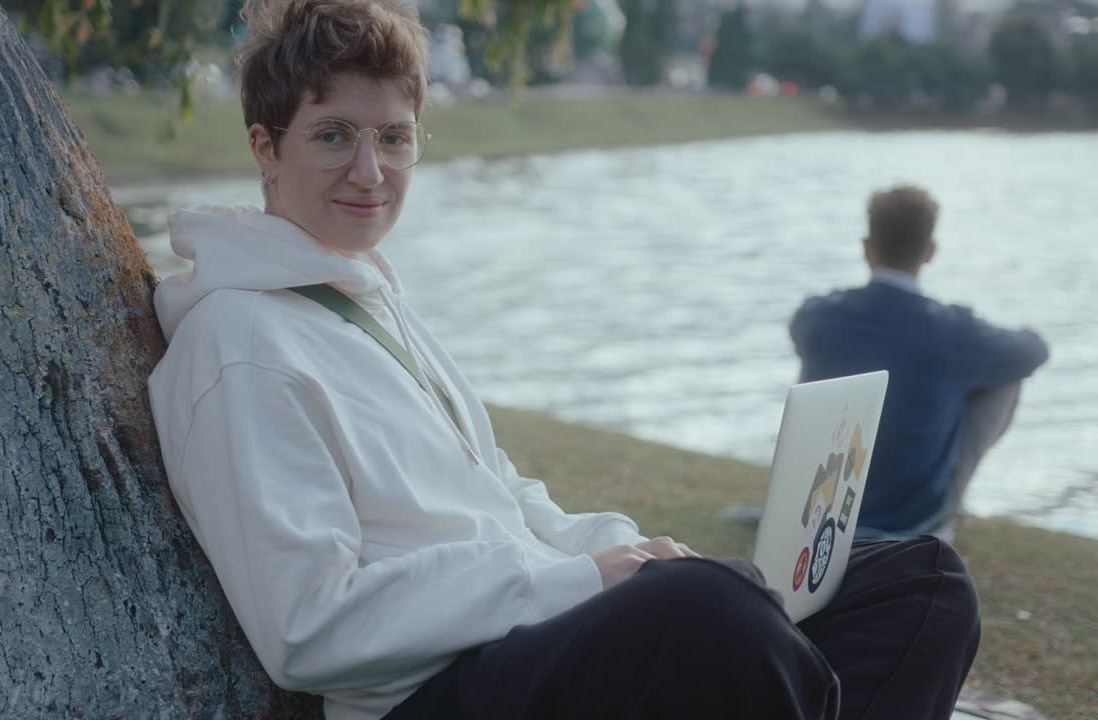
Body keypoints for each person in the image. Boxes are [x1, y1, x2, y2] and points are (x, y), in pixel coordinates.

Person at [147, 3, 980, 719]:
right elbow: (308, 629)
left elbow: (503, 497)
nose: (371, 172)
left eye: (394, 139)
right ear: (266, 147)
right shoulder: (240, 345)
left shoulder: (365, 299)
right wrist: (583, 584)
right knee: (712, 613)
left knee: (921, 582)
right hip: (430, 693)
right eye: (334, 136)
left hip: (527, 636)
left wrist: (628, 551)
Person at [790, 186, 1049, 541]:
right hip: (908, 523)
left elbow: (806, 325)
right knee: (1005, 376)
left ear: (866, 247)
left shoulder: (816, 318)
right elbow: (1033, 352)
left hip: (822, 510)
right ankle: (946, 511)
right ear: (929, 252)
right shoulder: (952, 331)